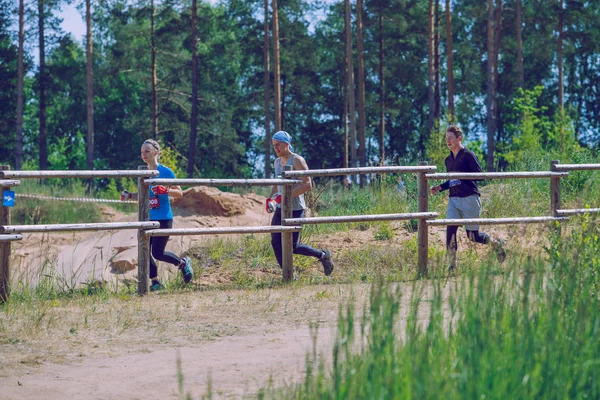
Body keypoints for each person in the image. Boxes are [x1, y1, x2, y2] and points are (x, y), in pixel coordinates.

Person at [430, 125, 505, 272]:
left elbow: (480, 176)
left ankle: (496, 244)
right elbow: (452, 180)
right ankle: (452, 266)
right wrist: (440, 187)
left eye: (451, 138)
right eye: (446, 139)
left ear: (459, 138)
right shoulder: (448, 160)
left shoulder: (468, 155)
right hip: (454, 200)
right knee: (450, 231)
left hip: (470, 198)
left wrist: (462, 176)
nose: (448, 141)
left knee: (473, 236)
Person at [121, 139, 193, 290]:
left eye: (147, 151)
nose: (143, 154)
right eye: (141, 152)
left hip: (164, 219)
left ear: (156, 152)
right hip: (147, 219)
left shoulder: (166, 172)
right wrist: (129, 196)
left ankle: (183, 263)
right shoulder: (143, 172)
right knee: (144, 251)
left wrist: (165, 190)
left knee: (158, 253)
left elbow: (179, 193)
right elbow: (142, 195)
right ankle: (155, 283)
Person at [267, 130, 334, 276]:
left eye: (278, 145)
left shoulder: (297, 160)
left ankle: (323, 255)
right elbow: (275, 183)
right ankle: (289, 275)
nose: (276, 148)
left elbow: (307, 184)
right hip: (280, 207)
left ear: (286, 144)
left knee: (292, 246)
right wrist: (270, 198)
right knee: (275, 242)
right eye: (274, 145)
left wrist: (286, 196)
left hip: (295, 208)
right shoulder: (277, 162)